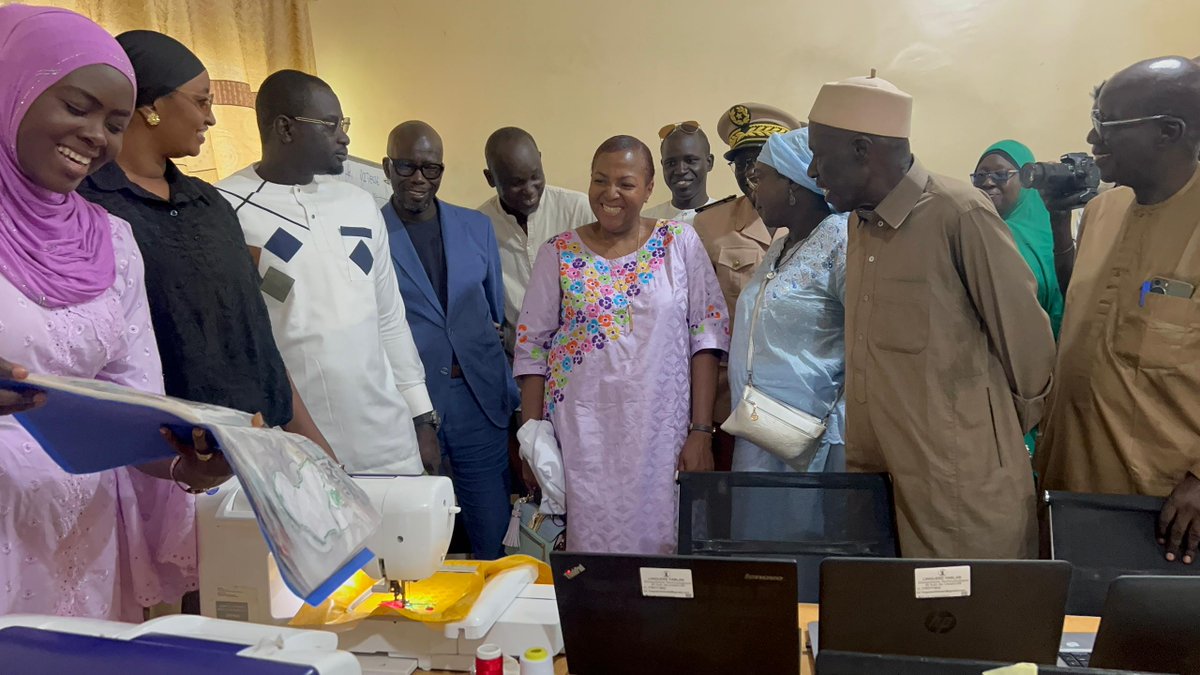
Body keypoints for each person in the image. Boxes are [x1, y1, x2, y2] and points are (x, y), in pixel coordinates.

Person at [0, 5, 230, 620]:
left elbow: (131, 415)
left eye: (115, 122)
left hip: (82, 541)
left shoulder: (114, 242)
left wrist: (189, 462)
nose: (97, 136)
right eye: (77, 107)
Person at [806, 73, 1056, 559]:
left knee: (963, 626)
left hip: (956, 488)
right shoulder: (859, 222)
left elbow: (1029, 349)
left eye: (821, 154)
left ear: (862, 149)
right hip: (876, 478)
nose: (813, 170)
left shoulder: (959, 214)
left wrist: (986, 441)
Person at [76, 31, 333, 457]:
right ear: (151, 107)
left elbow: (258, 340)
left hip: (260, 444)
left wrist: (315, 447)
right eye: (201, 101)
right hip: (168, 459)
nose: (211, 118)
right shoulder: (90, 207)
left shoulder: (209, 203)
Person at [514, 135, 730, 555]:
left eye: (626, 183)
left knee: (663, 552)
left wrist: (700, 431)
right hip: (580, 438)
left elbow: (706, 337)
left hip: (659, 437)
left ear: (650, 189)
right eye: (600, 180)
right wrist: (532, 439)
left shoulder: (679, 244)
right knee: (587, 559)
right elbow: (532, 350)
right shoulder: (557, 253)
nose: (610, 194)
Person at [216, 71, 439, 475]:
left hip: (390, 443)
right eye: (331, 125)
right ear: (285, 128)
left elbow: (389, 318)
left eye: (344, 124)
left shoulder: (358, 203)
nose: (345, 137)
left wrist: (421, 416)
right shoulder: (226, 208)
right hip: (296, 450)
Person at [1038, 56, 1200, 565]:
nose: (1091, 139)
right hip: (1064, 479)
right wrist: (1059, 221)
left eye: (1106, 124)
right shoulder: (1103, 209)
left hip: (1159, 506)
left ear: (1169, 132)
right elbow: (1088, 306)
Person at [382, 120, 518, 560]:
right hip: (410, 409)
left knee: (493, 533)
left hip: (478, 398)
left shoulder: (475, 227)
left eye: (431, 168)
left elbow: (492, 310)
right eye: (407, 167)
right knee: (417, 539)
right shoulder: (368, 231)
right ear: (387, 167)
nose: (419, 179)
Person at [729, 127, 848, 475]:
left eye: (761, 177)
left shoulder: (841, 239)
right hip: (760, 428)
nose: (754, 189)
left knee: (802, 525)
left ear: (793, 183)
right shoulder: (783, 245)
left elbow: (865, 340)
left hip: (812, 438)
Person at [693, 103, 799, 470]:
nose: (750, 170)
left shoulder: (817, 219)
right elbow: (696, 326)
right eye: (741, 162)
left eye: (760, 158)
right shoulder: (708, 226)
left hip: (799, 400)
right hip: (728, 402)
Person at [477, 127, 593, 355]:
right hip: (520, 363)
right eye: (516, 183)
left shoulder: (578, 211)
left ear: (540, 159)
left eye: (535, 177)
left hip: (584, 357)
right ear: (490, 178)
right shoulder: (480, 226)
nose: (529, 190)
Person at [972, 140, 1065, 338]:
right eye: (980, 176)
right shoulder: (974, 234)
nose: (988, 182)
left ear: (1027, 180)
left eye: (1001, 174)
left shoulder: (1056, 231)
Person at [642, 122, 716, 224]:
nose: (680, 171)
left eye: (690, 161)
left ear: (709, 163)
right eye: (671, 163)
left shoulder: (727, 218)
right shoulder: (646, 223)